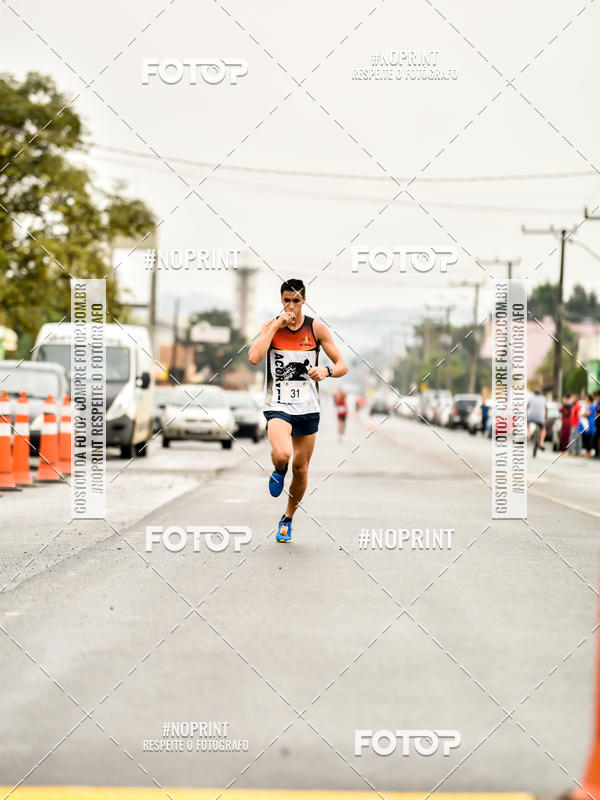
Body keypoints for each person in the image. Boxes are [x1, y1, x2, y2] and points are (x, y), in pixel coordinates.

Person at [248, 278, 348, 543]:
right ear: (281, 301)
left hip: (307, 408)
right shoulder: (271, 327)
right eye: (286, 300)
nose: (291, 306)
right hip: (277, 405)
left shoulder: (316, 329)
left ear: (304, 300)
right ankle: (279, 469)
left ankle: (287, 519)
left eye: (296, 300)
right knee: (283, 453)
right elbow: (254, 357)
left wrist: (325, 371)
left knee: (301, 469)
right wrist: (275, 327)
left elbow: (342, 365)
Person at [581, 393, 596, 459]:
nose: (586, 399)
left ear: (589, 399)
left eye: (587, 398)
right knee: (585, 438)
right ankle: (586, 452)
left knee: (589, 438)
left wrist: (582, 414)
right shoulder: (586, 406)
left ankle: (588, 453)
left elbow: (588, 414)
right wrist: (582, 414)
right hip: (585, 424)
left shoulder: (592, 406)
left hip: (590, 424)